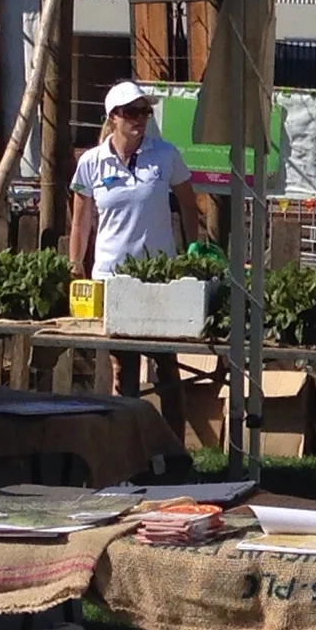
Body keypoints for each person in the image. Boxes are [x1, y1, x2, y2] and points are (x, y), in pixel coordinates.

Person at [70, 78, 205, 405]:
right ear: (113, 116)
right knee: (123, 368)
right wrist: (75, 265)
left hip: (158, 275)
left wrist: (191, 250)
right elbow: (81, 220)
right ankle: (127, 448)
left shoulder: (165, 155)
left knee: (167, 367)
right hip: (112, 276)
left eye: (145, 112)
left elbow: (189, 204)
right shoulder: (91, 162)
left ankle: (174, 452)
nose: (141, 119)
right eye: (133, 112)